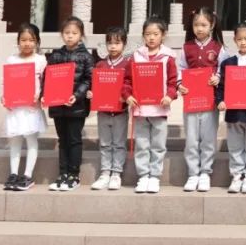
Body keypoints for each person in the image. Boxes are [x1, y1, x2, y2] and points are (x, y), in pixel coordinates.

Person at [125, 16, 178, 194]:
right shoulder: (136, 56)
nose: (151, 37)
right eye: (148, 34)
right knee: (142, 144)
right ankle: (143, 176)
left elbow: (173, 82)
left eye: (155, 34)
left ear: (163, 35)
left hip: (160, 110)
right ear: (143, 36)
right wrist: (128, 96)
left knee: (158, 145)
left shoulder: (168, 57)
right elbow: (127, 81)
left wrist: (169, 96)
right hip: (140, 109)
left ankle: (155, 176)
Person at [177, 8, 227, 193]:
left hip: (210, 100)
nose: (199, 28)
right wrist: (180, 84)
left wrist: (218, 77)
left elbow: (224, 69)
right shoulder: (186, 47)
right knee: (191, 139)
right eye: (196, 24)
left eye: (204, 25)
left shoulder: (218, 47)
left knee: (208, 138)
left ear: (212, 25)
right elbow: (180, 68)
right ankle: (193, 173)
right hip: (191, 100)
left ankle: (205, 172)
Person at [43, 16, 92, 192]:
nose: (70, 36)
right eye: (66, 33)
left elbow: (89, 80)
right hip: (58, 106)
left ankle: (74, 175)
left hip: (77, 106)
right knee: (62, 140)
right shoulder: (56, 55)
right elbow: (47, 77)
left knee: (74, 140)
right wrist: (44, 95)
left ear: (81, 35)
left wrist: (76, 95)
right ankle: (62, 174)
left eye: (74, 33)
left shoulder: (86, 57)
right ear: (62, 34)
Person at [216, 21, 246, 194]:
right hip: (233, 114)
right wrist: (220, 101)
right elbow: (221, 86)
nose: (243, 42)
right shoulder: (227, 63)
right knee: (235, 146)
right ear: (235, 40)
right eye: (239, 39)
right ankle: (237, 175)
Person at [2, 23, 45, 192]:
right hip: (15, 108)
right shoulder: (12, 60)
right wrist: (4, 96)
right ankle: (13, 174)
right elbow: (5, 82)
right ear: (18, 41)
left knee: (31, 140)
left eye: (31, 40)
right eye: (23, 40)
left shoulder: (40, 60)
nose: (27, 43)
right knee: (15, 141)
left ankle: (27, 175)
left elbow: (45, 83)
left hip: (31, 108)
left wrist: (39, 96)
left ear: (37, 41)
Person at [90, 26, 131, 191]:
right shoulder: (100, 65)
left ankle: (116, 173)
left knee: (119, 143)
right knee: (105, 143)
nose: (113, 46)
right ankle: (105, 172)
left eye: (117, 43)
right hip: (103, 112)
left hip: (120, 112)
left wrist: (126, 96)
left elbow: (130, 84)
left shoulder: (127, 64)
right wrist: (92, 93)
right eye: (110, 43)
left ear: (124, 45)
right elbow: (95, 85)